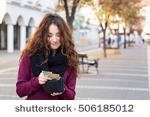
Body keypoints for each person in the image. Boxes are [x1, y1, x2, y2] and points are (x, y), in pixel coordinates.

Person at [16, 13, 79, 100]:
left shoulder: (70, 59)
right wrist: (37, 81)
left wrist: (63, 89)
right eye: (49, 35)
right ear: (42, 35)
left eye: (58, 35)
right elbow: (20, 90)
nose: (54, 39)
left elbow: (71, 96)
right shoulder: (30, 55)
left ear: (64, 36)